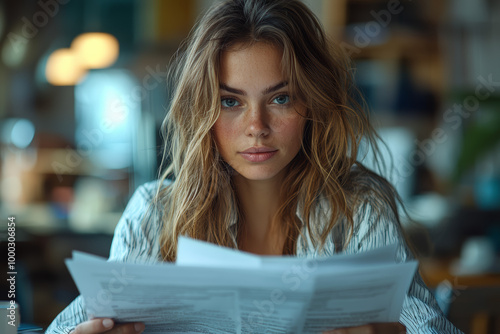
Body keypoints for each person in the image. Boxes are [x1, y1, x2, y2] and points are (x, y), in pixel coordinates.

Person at [46, 0, 463, 333]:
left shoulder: (357, 208)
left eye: (280, 98)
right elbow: (69, 324)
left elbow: (426, 324)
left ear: (311, 103)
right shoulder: (154, 213)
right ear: (203, 111)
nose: (257, 128)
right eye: (231, 102)